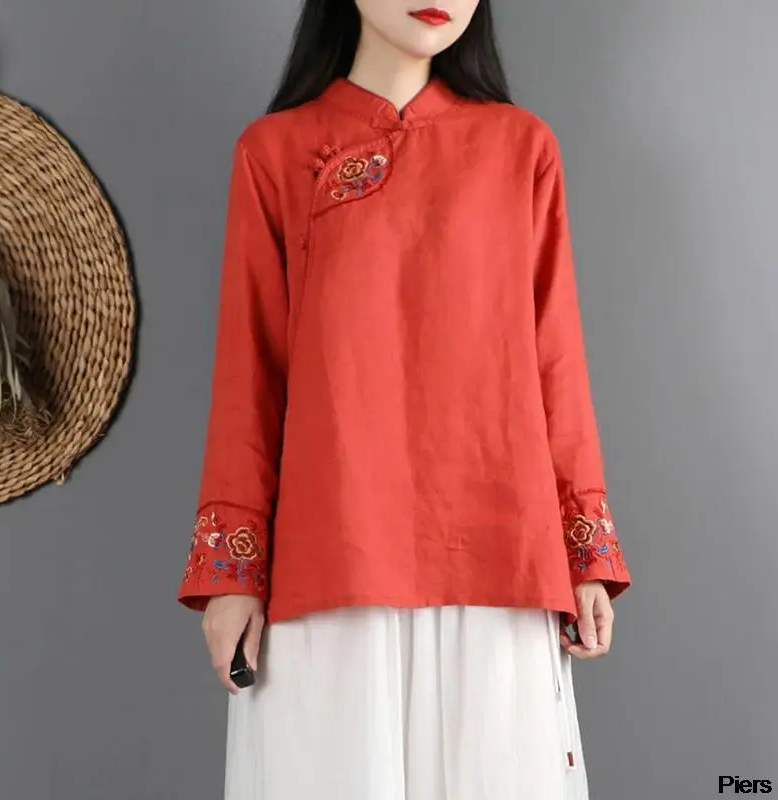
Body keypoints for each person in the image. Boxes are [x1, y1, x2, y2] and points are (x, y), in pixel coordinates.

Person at [178, 1, 631, 797]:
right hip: (332, 560)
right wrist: (233, 577)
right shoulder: (275, 153)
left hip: (500, 555)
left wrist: (583, 551)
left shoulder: (521, 148)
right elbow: (251, 376)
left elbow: (554, 361)